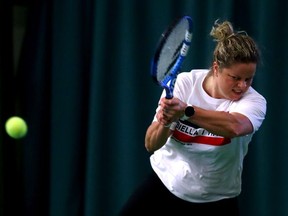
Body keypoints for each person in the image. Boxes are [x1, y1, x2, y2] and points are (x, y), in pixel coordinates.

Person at [119, 19, 267, 215]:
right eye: (235, 78)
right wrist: (166, 119)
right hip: (164, 186)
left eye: (248, 79)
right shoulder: (184, 84)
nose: (243, 86)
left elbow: (236, 127)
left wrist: (186, 111)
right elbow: (151, 144)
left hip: (217, 199)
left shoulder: (254, 101)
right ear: (216, 68)